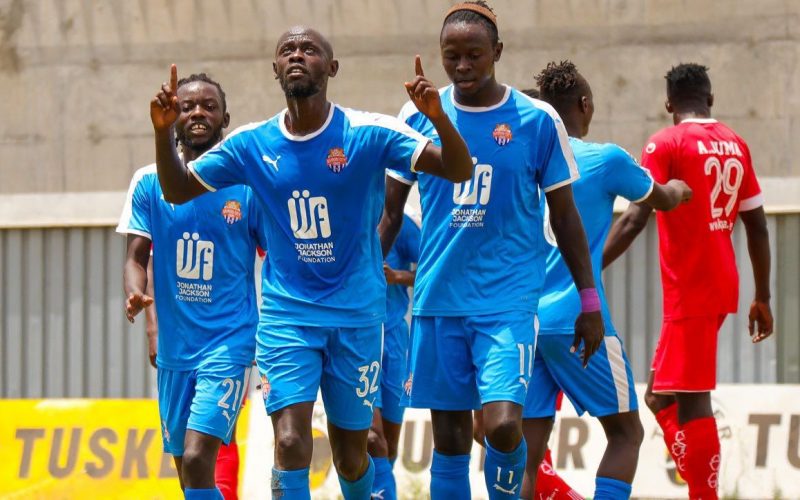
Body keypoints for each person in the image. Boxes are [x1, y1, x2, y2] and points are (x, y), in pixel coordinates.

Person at [149, 26, 473, 499]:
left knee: (353, 452)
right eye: (287, 51)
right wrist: (162, 135)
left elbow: (459, 170)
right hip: (287, 317)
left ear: (332, 67)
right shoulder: (249, 144)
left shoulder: (368, 132)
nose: (297, 55)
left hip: (357, 316)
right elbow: (177, 190)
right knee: (290, 440)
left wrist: (439, 118)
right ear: (276, 69)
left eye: (310, 50)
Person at [382, 3, 605, 498]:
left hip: (507, 302)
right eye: (452, 55)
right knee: (452, 440)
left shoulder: (537, 120)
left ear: (497, 53)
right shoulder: (416, 116)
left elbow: (565, 217)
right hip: (439, 300)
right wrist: (362, 282)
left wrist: (589, 300)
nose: (462, 66)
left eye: (474, 55)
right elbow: (390, 214)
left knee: (503, 426)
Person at [519, 60, 693, 500]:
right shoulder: (605, 159)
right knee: (625, 434)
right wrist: (679, 186)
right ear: (585, 104)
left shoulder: (525, 164)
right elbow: (660, 199)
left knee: (527, 455)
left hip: (523, 321)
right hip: (578, 320)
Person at [603, 63, 774, 500]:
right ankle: (704, 484)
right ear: (710, 99)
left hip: (691, 287)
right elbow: (757, 225)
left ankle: (704, 493)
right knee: (659, 398)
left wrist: (589, 263)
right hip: (718, 283)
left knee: (693, 399)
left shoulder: (666, 142)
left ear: (668, 105)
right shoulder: (737, 143)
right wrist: (763, 296)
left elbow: (636, 216)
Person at [119, 73, 266, 499]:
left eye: (208, 106)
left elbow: (275, 255)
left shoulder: (245, 184)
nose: (198, 112)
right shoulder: (148, 182)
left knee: (203, 458)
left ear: (225, 118)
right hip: (175, 351)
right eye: (187, 106)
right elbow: (136, 258)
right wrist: (142, 305)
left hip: (229, 342)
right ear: (172, 117)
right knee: (187, 471)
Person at [471, 86, 584, 500]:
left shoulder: (546, 187)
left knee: (506, 433)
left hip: (523, 320)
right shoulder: (493, 177)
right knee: (489, 432)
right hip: (490, 316)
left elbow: (567, 232)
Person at [368, 213, 421, 500]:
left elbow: (436, 267)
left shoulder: (403, 223)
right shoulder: (346, 205)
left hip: (395, 340)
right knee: (371, 438)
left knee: (388, 444)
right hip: (357, 340)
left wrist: (398, 277)